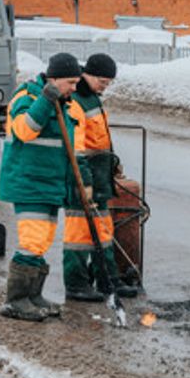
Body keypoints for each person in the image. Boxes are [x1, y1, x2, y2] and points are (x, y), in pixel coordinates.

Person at [0, 52, 89, 322]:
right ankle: (15, 301)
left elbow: (70, 149)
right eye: (70, 82)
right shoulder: (26, 98)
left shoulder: (67, 105)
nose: (74, 88)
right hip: (29, 181)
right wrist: (46, 100)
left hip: (51, 183)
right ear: (54, 79)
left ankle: (33, 295)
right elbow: (25, 131)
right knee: (32, 241)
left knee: (43, 241)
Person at [62, 53, 139, 300]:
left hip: (99, 175)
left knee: (103, 229)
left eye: (108, 83)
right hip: (81, 178)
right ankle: (76, 284)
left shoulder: (92, 98)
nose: (104, 87)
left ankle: (108, 280)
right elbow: (77, 149)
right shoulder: (75, 102)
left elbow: (99, 139)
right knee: (79, 234)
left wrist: (111, 162)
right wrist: (84, 182)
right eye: (103, 82)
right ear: (89, 74)